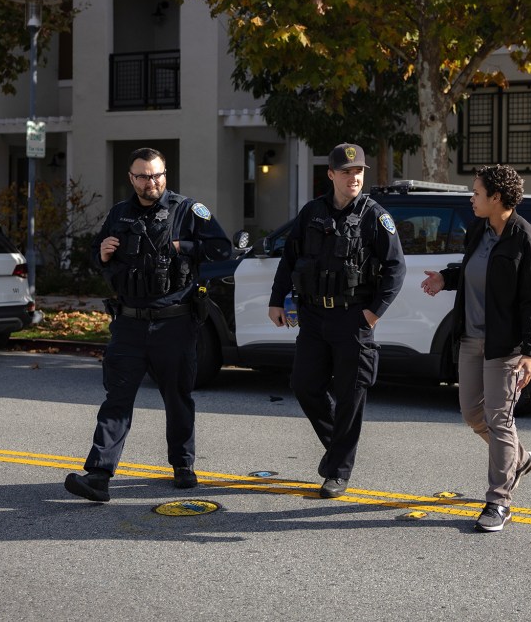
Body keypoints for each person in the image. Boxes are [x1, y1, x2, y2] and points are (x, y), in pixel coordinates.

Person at [65, 147, 232, 502]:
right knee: (117, 399)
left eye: (157, 174)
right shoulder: (119, 214)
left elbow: (221, 250)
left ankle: (183, 466)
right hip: (129, 324)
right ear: (131, 178)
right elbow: (96, 256)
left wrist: (180, 246)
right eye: (143, 176)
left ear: (165, 174)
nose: (151, 182)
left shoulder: (187, 210)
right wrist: (103, 251)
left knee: (178, 397)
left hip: (175, 323)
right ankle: (98, 475)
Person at [268, 143, 405, 499]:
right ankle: (338, 451)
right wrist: (275, 300)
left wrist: (373, 313)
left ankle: (338, 471)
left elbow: (395, 269)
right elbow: (289, 257)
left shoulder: (375, 216)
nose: (353, 178)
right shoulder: (311, 212)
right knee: (304, 384)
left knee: (350, 395)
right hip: (313, 315)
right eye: (346, 172)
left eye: (358, 171)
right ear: (330, 175)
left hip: (352, 318)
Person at [420, 164, 531, 532]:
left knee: (498, 418)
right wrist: (446, 278)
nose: (471, 198)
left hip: (505, 346)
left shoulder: (527, 240)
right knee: (471, 414)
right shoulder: (480, 230)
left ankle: (498, 501)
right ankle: (518, 459)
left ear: (496, 198)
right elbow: (474, 272)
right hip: (470, 338)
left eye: (476, 193)